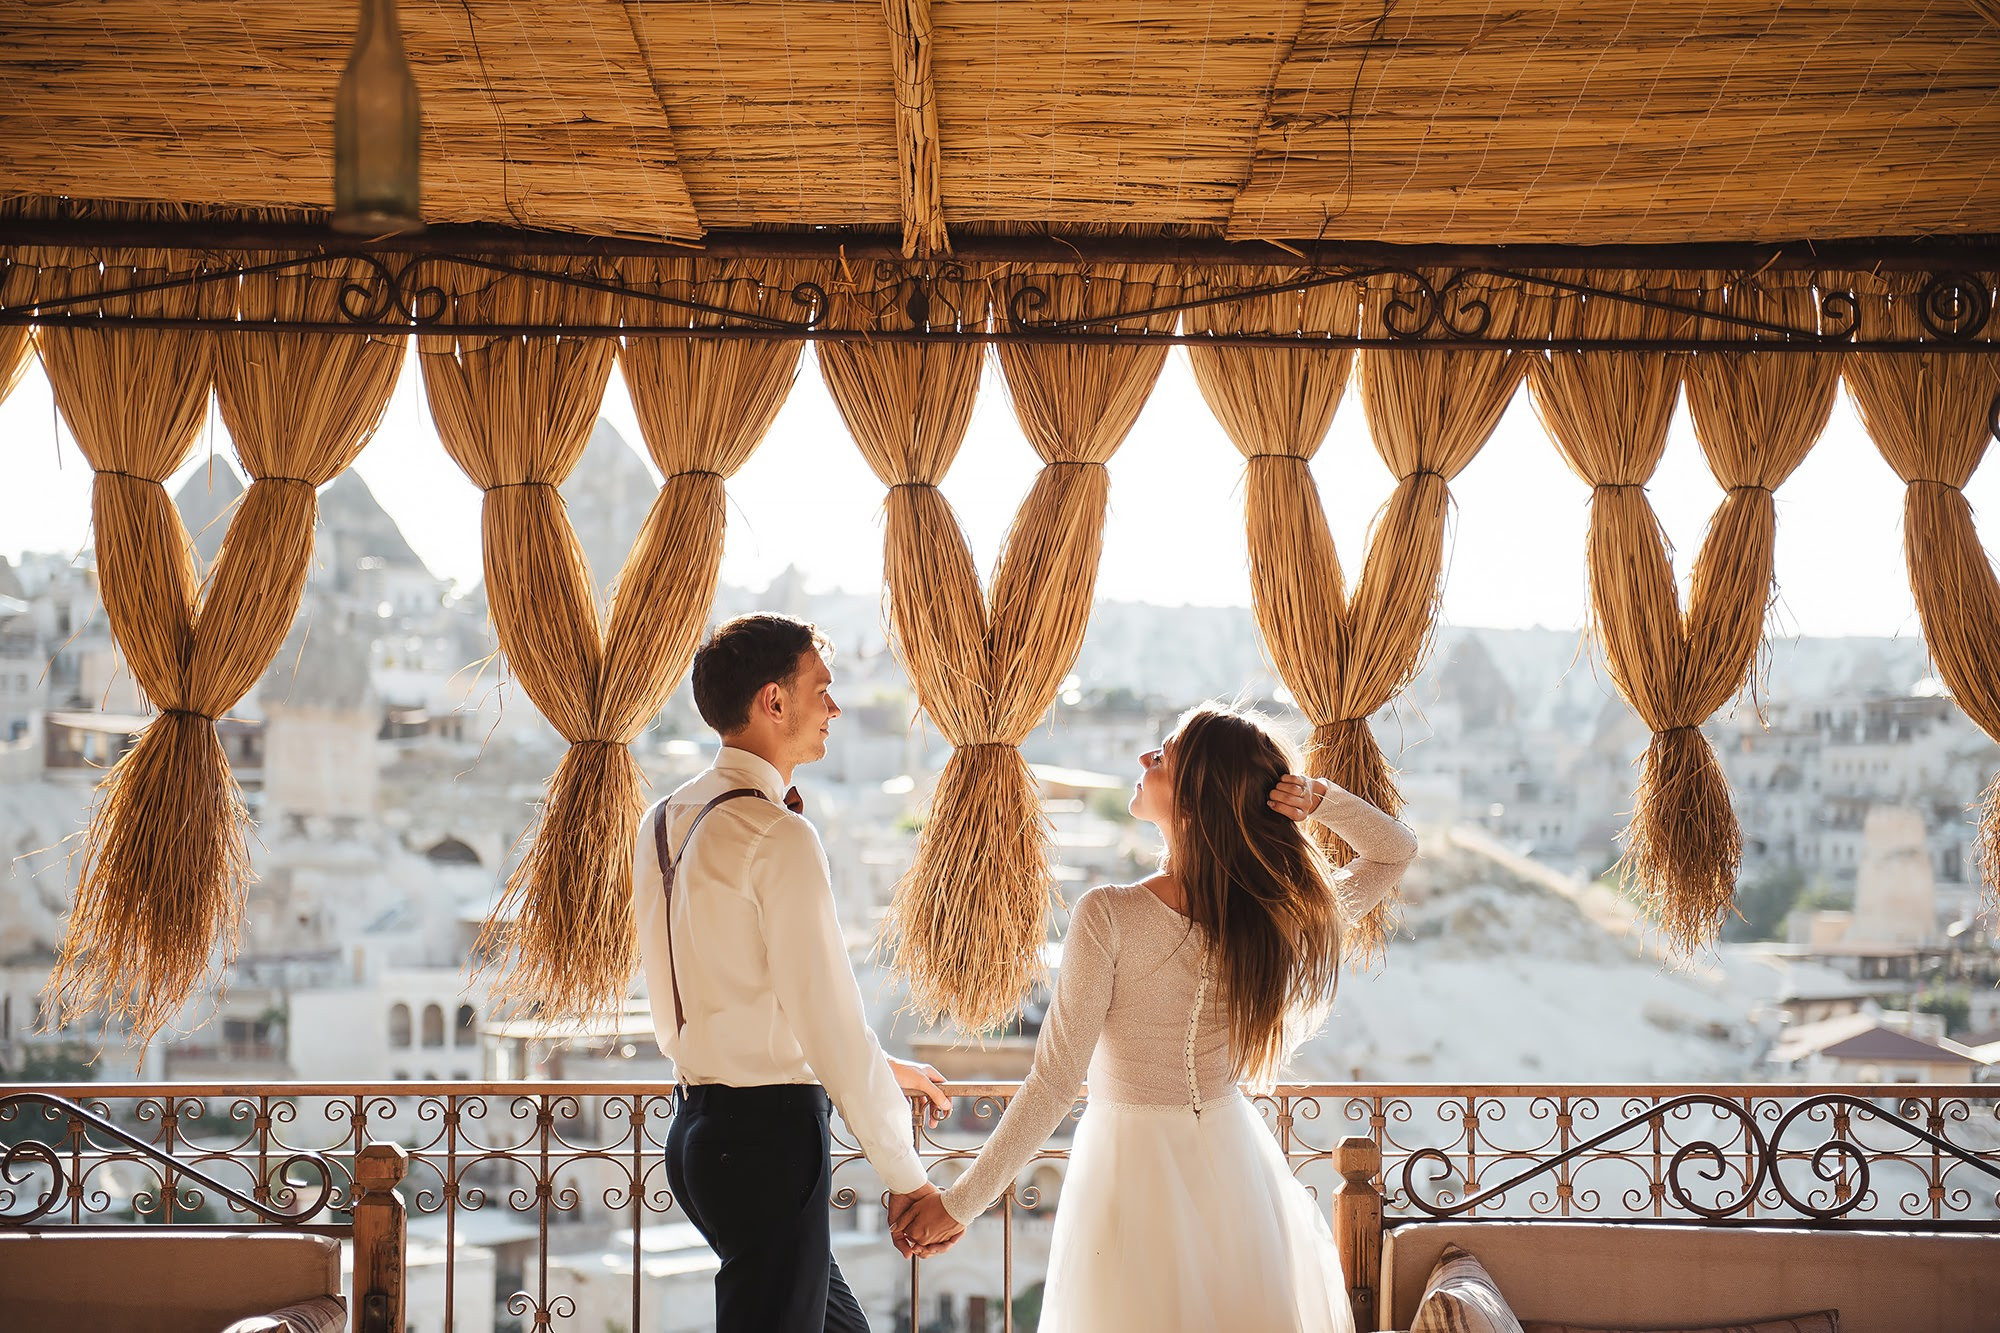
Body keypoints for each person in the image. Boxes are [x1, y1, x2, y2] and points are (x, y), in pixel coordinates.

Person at [888, 701, 1418, 1332]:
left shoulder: (1110, 913)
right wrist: (1317, 799)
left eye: (1163, 755)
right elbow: (1394, 851)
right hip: (1233, 1165)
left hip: (1131, 1173)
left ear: (1193, 797)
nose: (1144, 759)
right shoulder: (1271, 915)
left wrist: (960, 1203)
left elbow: (1055, 1084)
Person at [632, 613, 953, 1332]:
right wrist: (910, 1179)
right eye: (822, 689)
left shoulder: (661, 818)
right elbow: (829, 1023)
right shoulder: (779, 834)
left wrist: (881, 1065)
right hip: (766, 1143)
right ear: (773, 701)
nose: (835, 707)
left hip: (696, 1132)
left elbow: (734, 993)